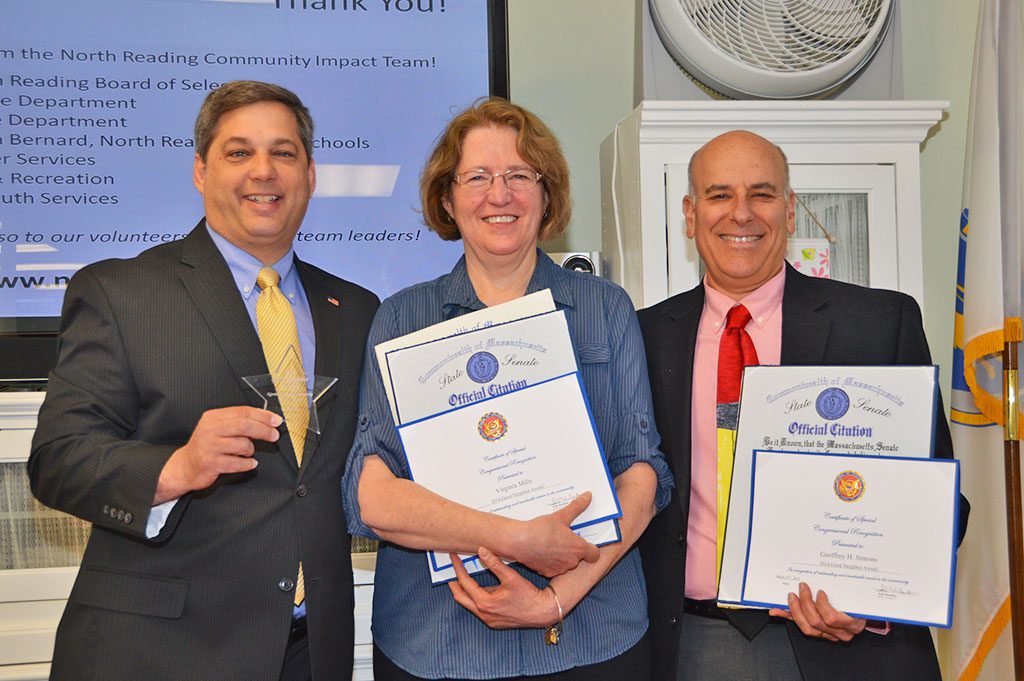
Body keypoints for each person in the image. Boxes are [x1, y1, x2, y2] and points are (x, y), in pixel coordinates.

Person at [28, 80, 379, 681]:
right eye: (239, 152)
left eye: (284, 152)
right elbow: (57, 460)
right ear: (200, 170)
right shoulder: (120, 291)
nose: (263, 171)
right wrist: (177, 468)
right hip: (159, 652)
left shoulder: (357, 309)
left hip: (309, 651)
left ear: (311, 175)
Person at [341, 98, 674, 681]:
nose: (500, 195)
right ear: (447, 198)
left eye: (520, 176)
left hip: (589, 635)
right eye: (477, 177)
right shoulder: (401, 320)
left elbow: (641, 477)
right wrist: (518, 539)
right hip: (435, 642)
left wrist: (554, 597)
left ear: (547, 196)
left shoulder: (604, 309)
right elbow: (372, 496)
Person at [638, 129, 970, 681]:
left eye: (762, 194)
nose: (741, 214)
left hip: (853, 648)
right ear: (690, 215)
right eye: (719, 195)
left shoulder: (878, 324)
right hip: (691, 644)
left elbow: (938, 502)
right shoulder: (645, 337)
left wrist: (869, 600)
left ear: (790, 212)